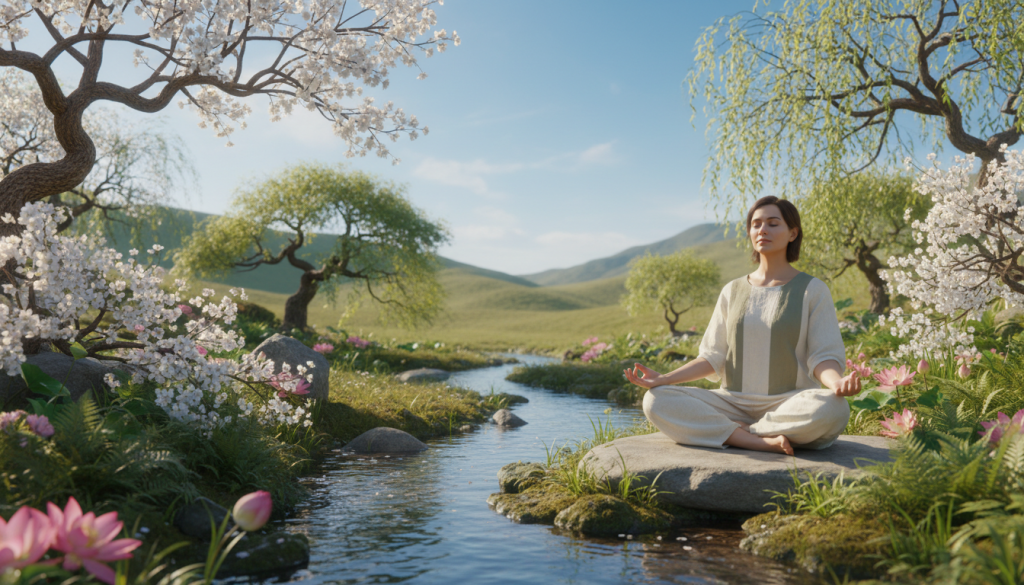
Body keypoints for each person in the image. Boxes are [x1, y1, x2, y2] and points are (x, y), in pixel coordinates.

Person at [624, 196, 861, 455]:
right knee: (656, 400)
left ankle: (739, 430)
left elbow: (823, 356)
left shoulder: (812, 290)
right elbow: (713, 357)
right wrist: (665, 379)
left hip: (790, 403)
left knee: (834, 408)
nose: (763, 230)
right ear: (749, 232)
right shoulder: (732, 290)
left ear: (793, 233)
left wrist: (837, 383)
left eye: (773, 223)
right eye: (756, 224)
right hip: (731, 402)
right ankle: (755, 439)